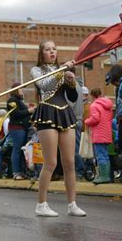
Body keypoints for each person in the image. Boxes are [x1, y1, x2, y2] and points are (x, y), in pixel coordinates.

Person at [30, 40, 86, 217]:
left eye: (54, 48)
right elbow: (44, 85)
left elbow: (72, 96)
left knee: (70, 162)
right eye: (47, 49)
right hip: (46, 113)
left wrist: (70, 82)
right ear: (42, 53)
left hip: (64, 113)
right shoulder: (36, 70)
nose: (52, 51)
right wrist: (62, 70)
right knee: (51, 162)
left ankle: (72, 204)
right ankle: (41, 204)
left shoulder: (63, 70)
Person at [84, 88, 114, 184]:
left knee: (100, 156)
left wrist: (86, 121)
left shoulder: (94, 105)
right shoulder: (108, 105)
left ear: (92, 96)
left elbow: (95, 119)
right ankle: (107, 176)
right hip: (106, 133)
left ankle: (103, 177)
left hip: (99, 134)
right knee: (105, 155)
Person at [7, 83, 33, 180]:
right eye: (21, 89)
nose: (22, 90)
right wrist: (29, 111)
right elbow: (15, 114)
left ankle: (22, 171)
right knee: (17, 149)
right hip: (17, 128)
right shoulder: (12, 100)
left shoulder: (19, 100)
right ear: (16, 90)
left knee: (22, 150)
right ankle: (16, 172)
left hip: (23, 127)